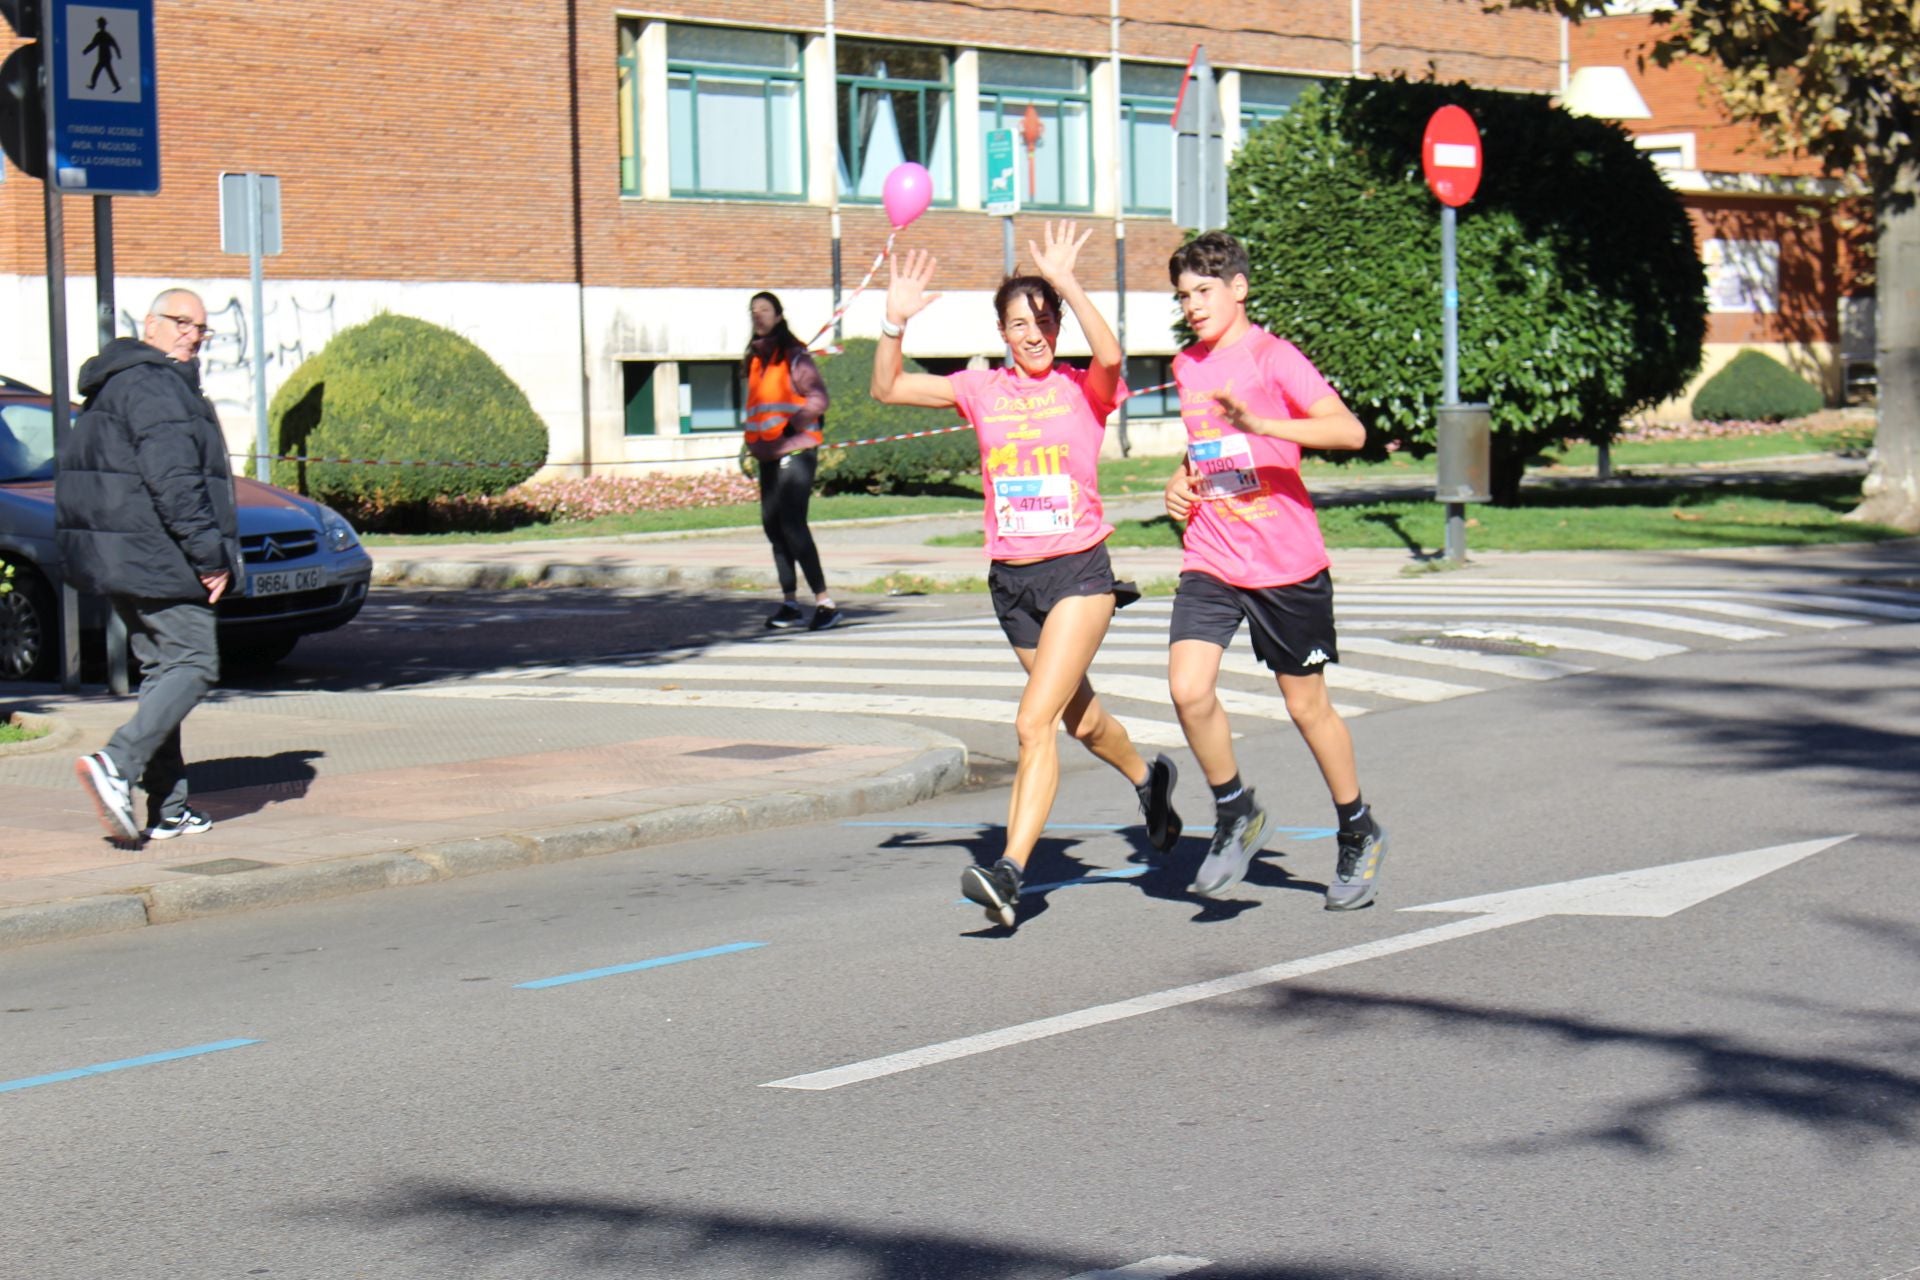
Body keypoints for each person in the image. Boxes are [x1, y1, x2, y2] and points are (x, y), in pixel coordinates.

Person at [872, 221, 1181, 927]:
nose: (1033, 333)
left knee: (1032, 722)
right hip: (1012, 584)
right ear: (1003, 333)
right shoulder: (981, 389)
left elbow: (1112, 353)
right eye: (1019, 323)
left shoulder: (1083, 388)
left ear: (1057, 324)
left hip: (1078, 572)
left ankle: (1009, 872)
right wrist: (894, 318)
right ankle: (1148, 777)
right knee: (1079, 720)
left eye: (1044, 320)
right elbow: (886, 387)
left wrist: (1068, 281)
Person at [1160, 231, 1389, 910]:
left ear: (1238, 288)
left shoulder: (1272, 357)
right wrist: (1179, 480)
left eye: (1204, 291)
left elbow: (1349, 432)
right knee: (1187, 688)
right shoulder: (1187, 365)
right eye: (1183, 295)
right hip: (1213, 552)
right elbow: (1206, 446)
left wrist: (1264, 421)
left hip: (1285, 561)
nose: (1193, 305)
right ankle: (1236, 812)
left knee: (1305, 705)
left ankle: (1357, 827)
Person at [58, 288, 243, 844]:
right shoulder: (156, 385)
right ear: (151, 324)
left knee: (164, 673)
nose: (190, 334)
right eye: (180, 322)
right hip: (158, 554)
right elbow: (175, 482)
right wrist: (210, 558)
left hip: (123, 558)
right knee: (194, 663)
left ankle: (169, 808)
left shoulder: (117, 382)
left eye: (200, 328)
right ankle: (116, 763)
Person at [744, 291, 839, 632]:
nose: (758, 315)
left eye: (765, 310)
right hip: (767, 454)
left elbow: (819, 398)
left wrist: (792, 423)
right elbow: (758, 408)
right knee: (773, 527)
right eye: (754, 311)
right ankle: (789, 604)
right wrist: (750, 442)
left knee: (793, 525)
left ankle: (825, 603)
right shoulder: (756, 359)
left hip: (796, 450)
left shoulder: (794, 356)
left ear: (779, 316)